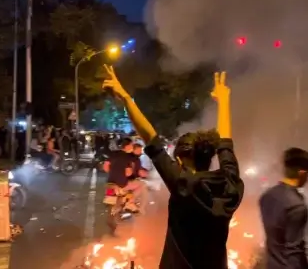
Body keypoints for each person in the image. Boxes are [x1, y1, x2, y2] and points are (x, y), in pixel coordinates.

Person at [102, 65, 243, 268]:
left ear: (179, 161)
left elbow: (150, 138)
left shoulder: (183, 184)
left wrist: (125, 97)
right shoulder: (230, 184)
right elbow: (226, 144)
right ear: (211, 156)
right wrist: (224, 101)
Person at [259, 147, 308, 269]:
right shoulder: (296, 205)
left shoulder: (266, 197)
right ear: (302, 173)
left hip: (271, 265)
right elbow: (294, 252)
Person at [103, 137, 145, 213]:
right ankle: (130, 203)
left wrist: (114, 172)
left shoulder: (113, 153)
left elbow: (105, 167)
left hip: (110, 182)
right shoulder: (128, 157)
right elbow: (128, 173)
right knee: (141, 184)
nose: (133, 147)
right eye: (132, 145)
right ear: (127, 146)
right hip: (122, 184)